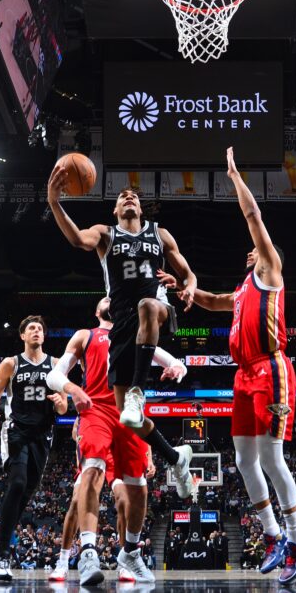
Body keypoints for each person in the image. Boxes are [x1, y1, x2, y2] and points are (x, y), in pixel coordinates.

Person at [158, 148, 296, 585]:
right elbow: (212, 301)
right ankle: (272, 535)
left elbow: (253, 217)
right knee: (244, 460)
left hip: (271, 369)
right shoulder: (245, 289)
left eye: (257, 248)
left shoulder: (271, 272)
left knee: (271, 457)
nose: (251, 249)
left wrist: (234, 177)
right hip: (243, 375)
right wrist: (185, 288)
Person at [47, 169, 198, 496]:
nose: (129, 197)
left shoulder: (160, 234)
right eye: (122, 197)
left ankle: (138, 391)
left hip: (156, 310)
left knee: (147, 306)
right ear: (116, 210)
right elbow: (77, 240)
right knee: (129, 419)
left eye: (134, 196)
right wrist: (54, 202)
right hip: (123, 327)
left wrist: (188, 287)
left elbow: (189, 274)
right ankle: (176, 458)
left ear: (140, 208)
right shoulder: (105, 233)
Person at [45, 297, 182, 585]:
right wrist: (73, 389)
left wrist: (177, 368)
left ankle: (130, 552)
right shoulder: (85, 335)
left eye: (113, 297)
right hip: (95, 410)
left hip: (128, 413)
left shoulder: (133, 333)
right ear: (97, 311)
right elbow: (54, 375)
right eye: (104, 298)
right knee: (91, 472)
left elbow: (171, 360)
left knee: (137, 489)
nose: (110, 298)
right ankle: (87, 553)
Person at [0, 315, 68, 583]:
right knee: (17, 484)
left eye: (40, 328)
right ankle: (2, 556)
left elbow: (64, 407)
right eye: (31, 328)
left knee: (25, 495)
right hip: (16, 430)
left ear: (44, 335)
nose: (36, 331)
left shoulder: (56, 364)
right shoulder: (11, 363)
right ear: (22, 335)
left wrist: (59, 402)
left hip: (43, 434)